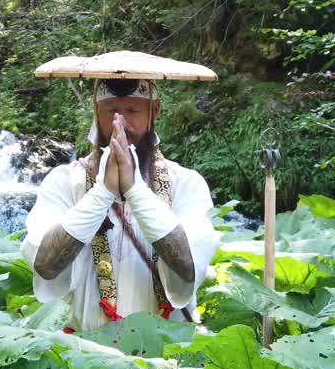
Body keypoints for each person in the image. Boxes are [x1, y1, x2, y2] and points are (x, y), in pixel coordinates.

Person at [21, 76, 220, 333]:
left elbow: (188, 266)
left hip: (167, 359)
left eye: (132, 111)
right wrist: (102, 193)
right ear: (96, 112)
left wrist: (135, 191)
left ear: (154, 111)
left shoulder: (185, 183)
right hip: (87, 355)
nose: (120, 123)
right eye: (111, 111)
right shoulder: (65, 182)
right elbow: (45, 264)